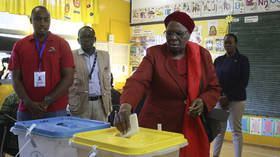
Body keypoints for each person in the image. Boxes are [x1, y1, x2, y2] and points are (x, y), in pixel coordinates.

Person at [114, 11, 221, 157]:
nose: (173, 38)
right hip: (157, 124)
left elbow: (213, 88)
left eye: (179, 34)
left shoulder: (202, 56)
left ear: (189, 34)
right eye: (169, 33)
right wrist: (126, 106)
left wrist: (203, 101)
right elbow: (138, 81)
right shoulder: (155, 54)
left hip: (190, 123)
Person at [8, 6, 75, 121]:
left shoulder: (62, 44)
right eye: (38, 19)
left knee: (54, 139)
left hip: (55, 110)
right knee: (25, 139)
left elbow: (68, 77)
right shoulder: (19, 46)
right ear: (31, 21)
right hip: (26, 110)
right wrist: (28, 102)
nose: (42, 23)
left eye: (46, 19)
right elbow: (15, 78)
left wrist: (47, 101)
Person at [213, 33, 250, 157]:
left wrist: (227, 97)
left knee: (236, 132)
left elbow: (243, 82)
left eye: (230, 42)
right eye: (225, 42)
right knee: (219, 131)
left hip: (236, 101)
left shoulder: (243, 60)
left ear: (235, 44)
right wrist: (219, 97)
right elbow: (213, 80)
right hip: (220, 101)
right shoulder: (218, 61)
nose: (227, 45)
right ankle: (215, 155)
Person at [68, 26, 112, 121]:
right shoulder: (71, 55)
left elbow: (108, 77)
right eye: (83, 37)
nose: (86, 40)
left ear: (94, 39)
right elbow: (66, 80)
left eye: (89, 37)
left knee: (100, 134)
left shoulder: (105, 55)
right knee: (80, 134)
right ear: (78, 40)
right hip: (80, 104)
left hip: (101, 104)